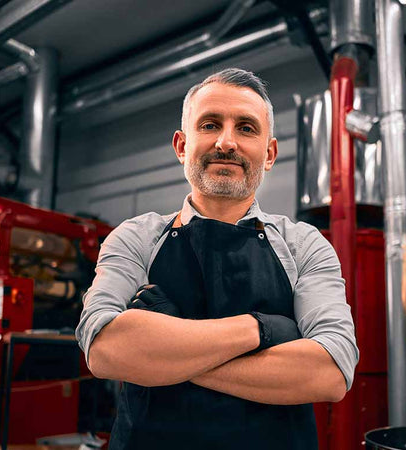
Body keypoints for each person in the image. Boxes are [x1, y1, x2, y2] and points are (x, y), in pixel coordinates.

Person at [76, 68, 359, 450]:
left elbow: (330, 372)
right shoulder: (136, 237)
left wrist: (163, 355)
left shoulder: (303, 245)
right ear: (181, 145)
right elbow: (104, 348)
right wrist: (262, 330)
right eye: (210, 125)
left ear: (270, 153)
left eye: (246, 128)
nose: (226, 142)